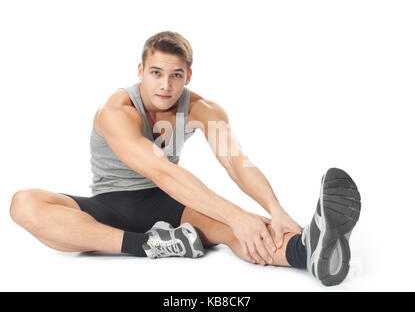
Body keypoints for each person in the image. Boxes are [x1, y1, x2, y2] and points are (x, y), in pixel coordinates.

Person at [9, 31, 361, 286]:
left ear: (187, 76)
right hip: (109, 206)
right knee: (24, 204)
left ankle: (307, 251)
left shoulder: (204, 110)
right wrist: (236, 214)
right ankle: (146, 246)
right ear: (141, 71)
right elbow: (161, 171)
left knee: (238, 227)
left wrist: (275, 210)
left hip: (168, 204)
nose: (165, 85)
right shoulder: (117, 111)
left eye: (176, 75)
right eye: (156, 73)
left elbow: (238, 162)